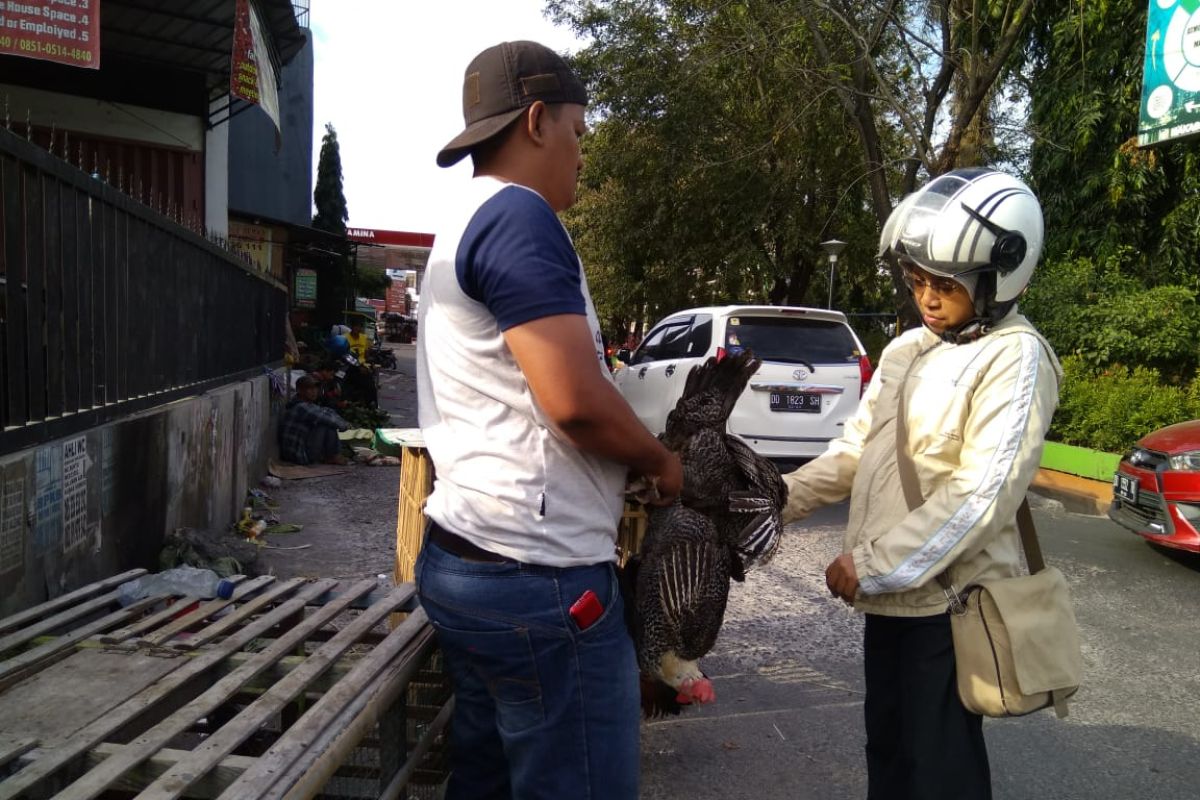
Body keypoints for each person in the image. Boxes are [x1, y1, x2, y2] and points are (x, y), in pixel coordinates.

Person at [414, 40, 683, 800]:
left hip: (468, 560)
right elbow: (572, 403)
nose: (581, 152)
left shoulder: (463, 220)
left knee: (491, 783)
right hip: (538, 578)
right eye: (577, 131)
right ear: (536, 121)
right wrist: (659, 462)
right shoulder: (520, 218)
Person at [780, 168, 1062, 800]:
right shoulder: (909, 348)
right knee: (889, 751)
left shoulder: (1015, 356)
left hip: (946, 603)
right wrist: (774, 501)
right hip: (888, 602)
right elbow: (855, 451)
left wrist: (874, 563)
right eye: (917, 282)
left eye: (945, 285)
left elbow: (983, 494)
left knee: (940, 771)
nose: (927, 299)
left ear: (1001, 276)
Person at [278, 376, 351, 466]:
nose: (314, 391)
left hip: (300, 451)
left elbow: (328, 411)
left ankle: (331, 455)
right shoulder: (301, 407)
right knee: (326, 424)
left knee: (327, 416)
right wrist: (345, 426)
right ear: (300, 391)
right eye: (310, 389)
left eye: (315, 388)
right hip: (298, 455)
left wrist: (344, 423)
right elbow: (327, 420)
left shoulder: (307, 404)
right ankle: (333, 456)